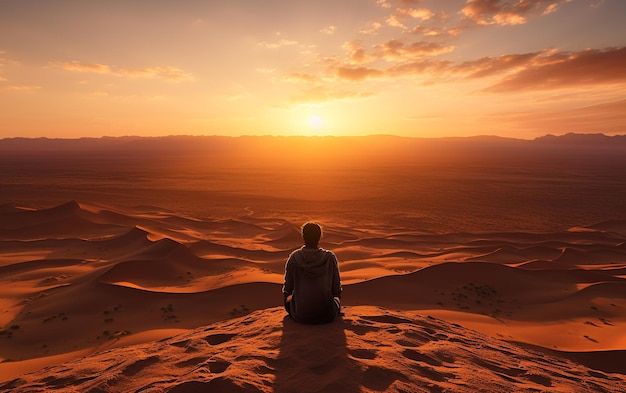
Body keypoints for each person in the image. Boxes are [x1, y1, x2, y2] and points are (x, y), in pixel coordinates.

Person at [282, 222, 342, 324]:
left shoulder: (294, 257)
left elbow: (287, 288)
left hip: (300, 315)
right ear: (320, 236)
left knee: (288, 300)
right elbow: (336, 289)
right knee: (336, 300)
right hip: (326, 315)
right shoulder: (329, 257)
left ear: (303, 236)